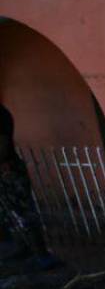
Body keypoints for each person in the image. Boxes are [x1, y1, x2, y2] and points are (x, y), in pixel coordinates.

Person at [0, 104, 50, 260]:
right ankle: (23, 248)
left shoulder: (1, 116)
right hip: (6, 169)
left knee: (23, 212)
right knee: (8, 213)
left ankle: (41, 254)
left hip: (8, 169)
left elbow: (2, 145)